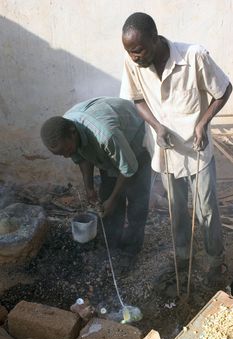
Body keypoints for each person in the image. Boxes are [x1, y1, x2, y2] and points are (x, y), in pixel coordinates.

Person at [120, 12, 232, 283]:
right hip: (166, 151)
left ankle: (215, 262)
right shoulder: (132, 61)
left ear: (155, 39)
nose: (135, 57)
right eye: (130, 52)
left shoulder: (194, 56)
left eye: (139, 50)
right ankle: (182, 258)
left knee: (206, 210)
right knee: (176, 211)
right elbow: (136, 99)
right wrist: (157, 127)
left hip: (197, 149)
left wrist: (203, 123)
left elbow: (224, 89)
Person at [40, 97, 151, 272]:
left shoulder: (105, 134)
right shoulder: (66, 129)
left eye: (65, 150)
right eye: (60, 154)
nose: (66, 156)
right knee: (106, 200)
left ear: (73, 132)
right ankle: (112, 244)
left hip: (135, 143)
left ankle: (131, 250)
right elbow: (81, 156)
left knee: (137, 202)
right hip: (110, 152)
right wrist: (89, 188)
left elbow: (129, 169)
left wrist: (113, 198)